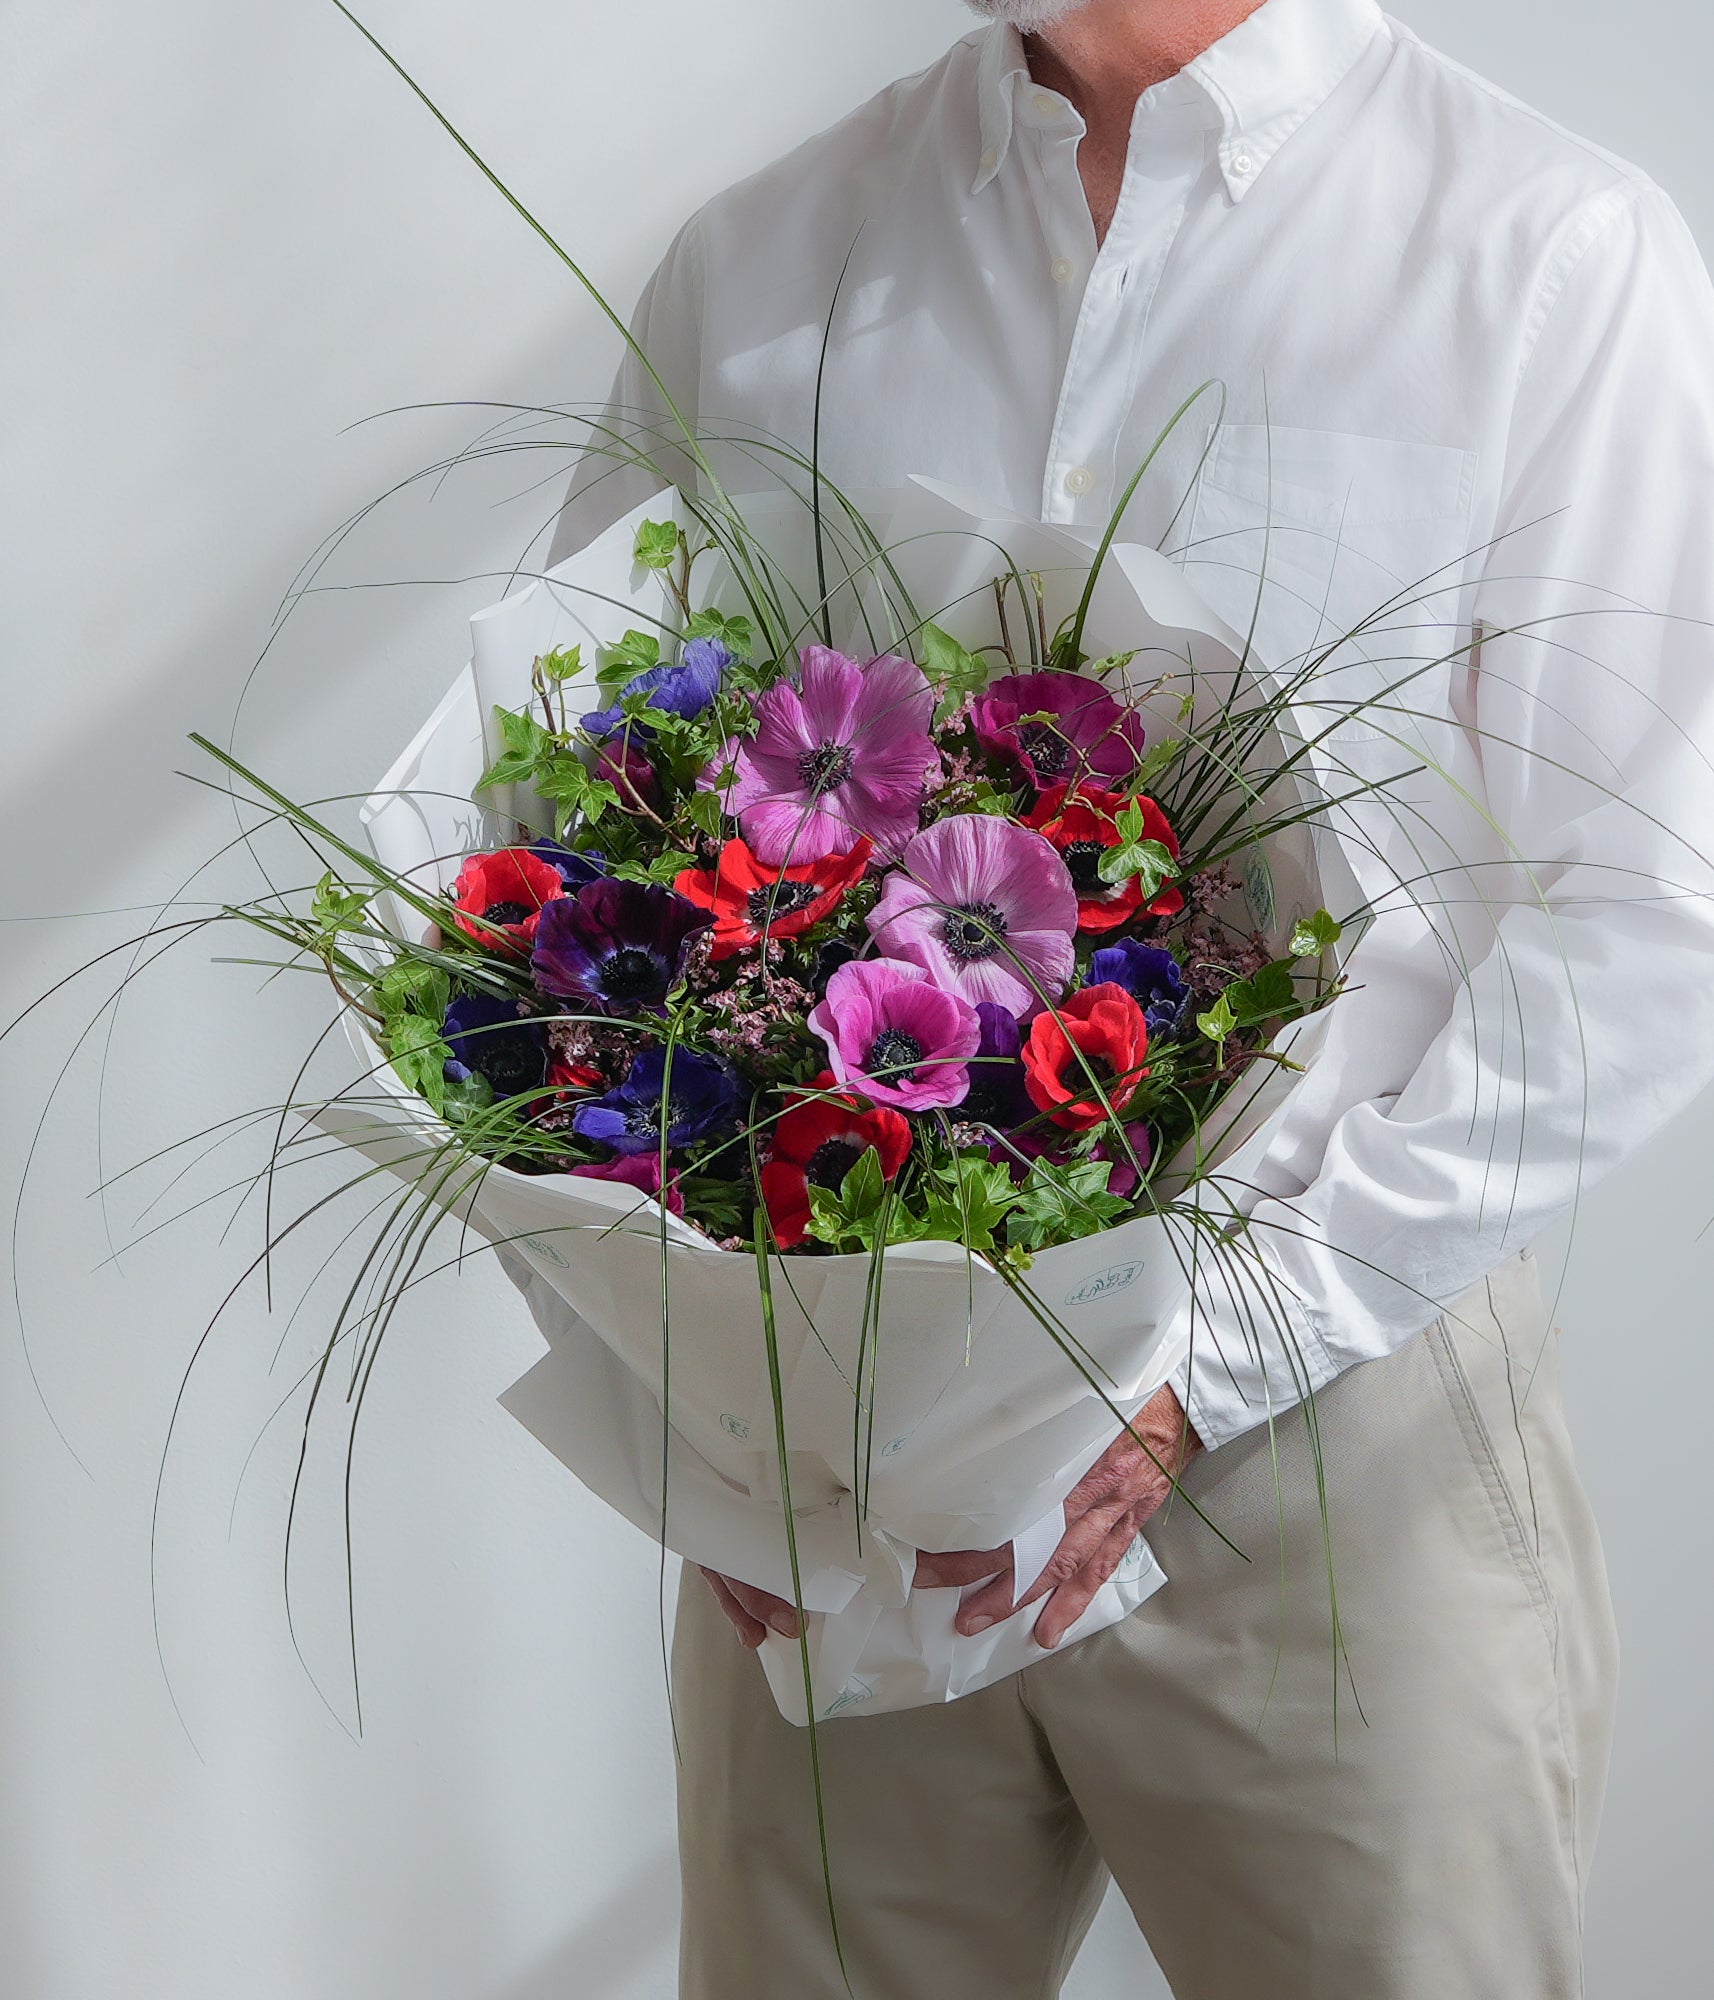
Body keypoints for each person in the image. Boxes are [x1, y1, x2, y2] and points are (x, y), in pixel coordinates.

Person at [551, 2, 1714, 1993]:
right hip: (835, 1457)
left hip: (1335, 1441)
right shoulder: (757, 261)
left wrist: (1213, 1352)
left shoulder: (1537, 251)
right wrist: (706, 1416)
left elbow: (1642, 908)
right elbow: (581, 853)